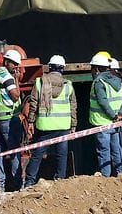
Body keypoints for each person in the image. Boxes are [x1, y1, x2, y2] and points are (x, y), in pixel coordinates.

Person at [23, 55, 76, 187]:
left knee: (37, 156)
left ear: (50, 67)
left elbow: (33, 104)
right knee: (61, 155)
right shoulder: (68, 85)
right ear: (62, 69)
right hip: (63, 127)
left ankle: (29, 182)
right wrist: (73, 124)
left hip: (44, 126)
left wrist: (30, 122)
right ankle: (60, 181)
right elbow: (73, 106)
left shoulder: (40, 82)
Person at [0, 49, 24, 192]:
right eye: (14, 64)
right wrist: (16, 79)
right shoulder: (7, 77)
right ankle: (17, 185)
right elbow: (15, 96)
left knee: (0, 153)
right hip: (9, 119)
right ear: (7, 62)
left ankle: (1, 186)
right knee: (14, 152)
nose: (16, 67)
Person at [88, 52, 122, 177]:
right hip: (115, 123)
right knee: (116, 150)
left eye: (92, 68)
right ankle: (121, 175)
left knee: (104, 151)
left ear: (97, 69)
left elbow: (102, 102)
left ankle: (105, 178)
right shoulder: (118, 81)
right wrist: (119, 115)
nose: (92, 71)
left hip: (102, 122)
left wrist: (113, 116)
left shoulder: (99, 82)